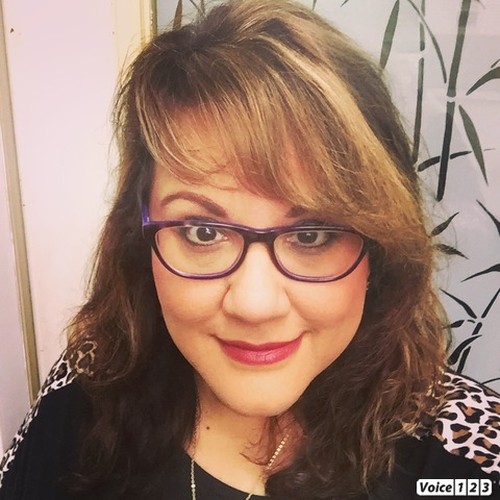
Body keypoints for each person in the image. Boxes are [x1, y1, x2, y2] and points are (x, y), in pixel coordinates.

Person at [1, 0, 499, 498]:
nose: (254, 305)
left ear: (382, 247)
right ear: (140, 238)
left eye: (312, 234)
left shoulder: (470, 462)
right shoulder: (89, 385)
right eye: (202, 231)